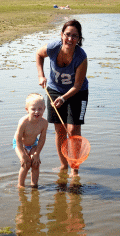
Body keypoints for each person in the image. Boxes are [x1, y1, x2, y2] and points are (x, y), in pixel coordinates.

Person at [36, 19, 88, 177]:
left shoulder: (81, 57)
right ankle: (63, 165)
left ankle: (75, 169)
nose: (70, 39)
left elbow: (77, 86)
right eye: (67, 35)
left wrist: (64, 98)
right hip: (54, 89)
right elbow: (39, 54)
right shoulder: (53, 48)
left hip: (77, 93)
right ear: (62, 35)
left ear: (79, 39)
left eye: (74, 36)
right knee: (59, 131)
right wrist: (41, 75)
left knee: (73, 130)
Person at [13, 93, 48, 188]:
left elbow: (42, 139)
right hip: (20, 144)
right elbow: (18, 139)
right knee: (26, 163)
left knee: (35, 163)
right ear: (27, 109)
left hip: (33, 144)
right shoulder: (23, 122)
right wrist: (23, 155)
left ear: (44, 109)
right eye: (33, 109)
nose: (37, 112)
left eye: (40, 109)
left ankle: (34, 186)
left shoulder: (44, 123)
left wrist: (37, 154)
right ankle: (20, 185)